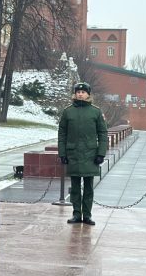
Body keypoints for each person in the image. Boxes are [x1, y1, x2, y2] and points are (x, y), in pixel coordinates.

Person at [58, 82, 108, 226]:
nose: (80, 94)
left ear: (88, 94)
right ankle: (76, 214)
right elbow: (62, 133)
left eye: (83, 92)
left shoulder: (96, 112)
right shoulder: (68, 112)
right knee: (74, 187)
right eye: (78, 92)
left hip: (90, 154)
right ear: (75, 94)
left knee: (88, 187)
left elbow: (103, 133)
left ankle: (87, 215)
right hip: (73, 153)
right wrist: (62, 153)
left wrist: (101, 153)